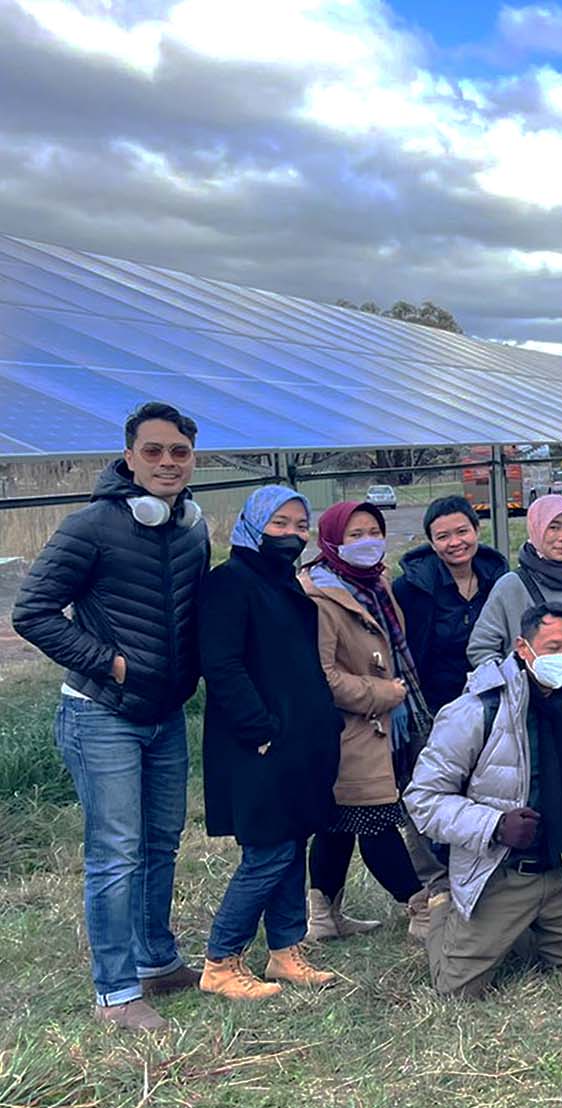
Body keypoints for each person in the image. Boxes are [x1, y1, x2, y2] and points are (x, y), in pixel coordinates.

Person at [12, 401, 209, 1029]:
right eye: (153, 451)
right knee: (116, 851)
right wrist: (109, 664)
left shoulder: (192, 528)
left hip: (165, 713)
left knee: (160, 841)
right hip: (102, 714)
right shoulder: (91, 526)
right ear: (129, 458)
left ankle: (157, 959)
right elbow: (33, 612)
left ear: (191, 459)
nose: (166, 462)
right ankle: (116, 993)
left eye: (178, 452)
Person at [405, 605, 562, 998]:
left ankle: (519, 929)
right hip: (501, 868)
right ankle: (443, 904)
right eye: (553, 647)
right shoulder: (477, 709)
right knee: (456, 990)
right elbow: (423, 799)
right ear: (523, 647)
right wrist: (493, 824)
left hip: (561, 872)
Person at [198, 487, 341, 1001]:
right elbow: (222, 664)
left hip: (299, 742)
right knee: (268, 850)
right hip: (258, 743)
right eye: (279, 524)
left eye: (301, 526)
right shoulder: (230, 584)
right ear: (254, 525)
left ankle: (285, 950)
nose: (292, 534)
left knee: (292, 839)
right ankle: (220, 960)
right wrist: (259, 729)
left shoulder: (287, 585)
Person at [300, 501, 431, 942]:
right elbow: (322, 676)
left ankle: (323, 914)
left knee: (339, 824)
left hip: (386, 722)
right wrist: (382, 694)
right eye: (354, 535)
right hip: (353, 727)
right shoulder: (321, 596)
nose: (366, 541)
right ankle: (419, 906)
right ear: (333, 540)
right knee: (375, 819)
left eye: (373, 531)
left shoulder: (376, 584)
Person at [469, 494, 562, 679]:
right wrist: (515, 686)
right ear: (537, 529)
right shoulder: (511, 586)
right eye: (554, 528)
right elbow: (481, 648)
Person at [393, 495, 510, 713]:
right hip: (436, 707)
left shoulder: (501, 581)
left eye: (462, 531)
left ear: (477, 530)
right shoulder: (411, 589)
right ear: (432, 544)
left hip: (495, 699)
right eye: (443, 536)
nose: (455, 543)